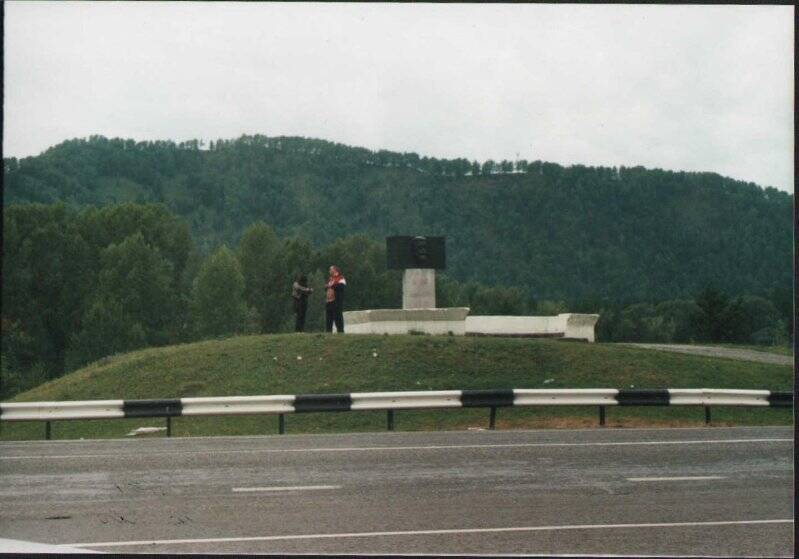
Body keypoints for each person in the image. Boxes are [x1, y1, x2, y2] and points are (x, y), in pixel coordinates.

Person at [325, 265, 346, 333]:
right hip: (329, 301)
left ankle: (340, 331)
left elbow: (341, 287)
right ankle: (328, 332)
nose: (329, 271)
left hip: (336, 301)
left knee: (338, 317)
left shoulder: (340, 278)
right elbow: (328, 287)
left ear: (335, 270)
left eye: (330, 269)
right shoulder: (330, 279)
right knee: (329, 318)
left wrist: (332, 286)